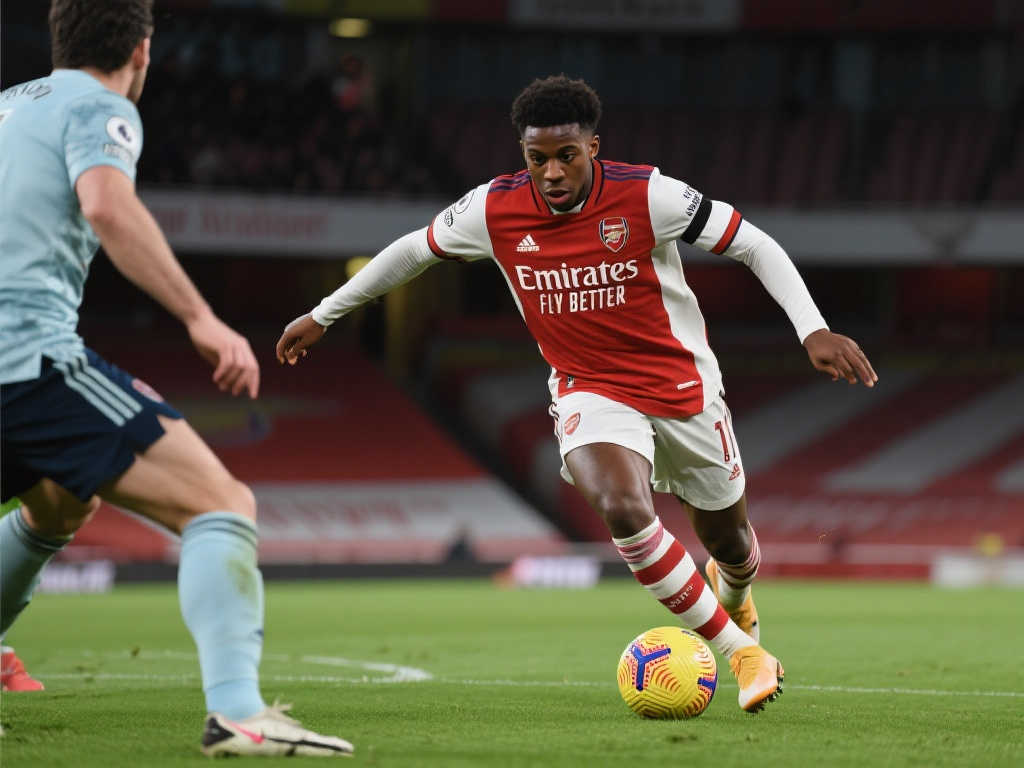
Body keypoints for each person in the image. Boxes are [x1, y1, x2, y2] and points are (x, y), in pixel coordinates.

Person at [277, 74, 877, 713]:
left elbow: (753, 243)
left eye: (567, 155)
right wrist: (324, 313)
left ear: (593, 146)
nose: (553, 172)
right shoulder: (493, 210)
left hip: (683, 387)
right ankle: (742, 653)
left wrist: (812, 329)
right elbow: (413, 251)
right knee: (622, 506)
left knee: (732, 546)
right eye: (537, 159)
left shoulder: (648, 195)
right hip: (589, 388)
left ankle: (735, 594)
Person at [0, 1, 352, 756]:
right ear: (142, 50)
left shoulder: (7, 109)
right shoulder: (97, 106)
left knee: (58, 502)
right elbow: (107, 204)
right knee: (220, 503)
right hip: (23, 360)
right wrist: (201, 318)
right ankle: (240, 714)